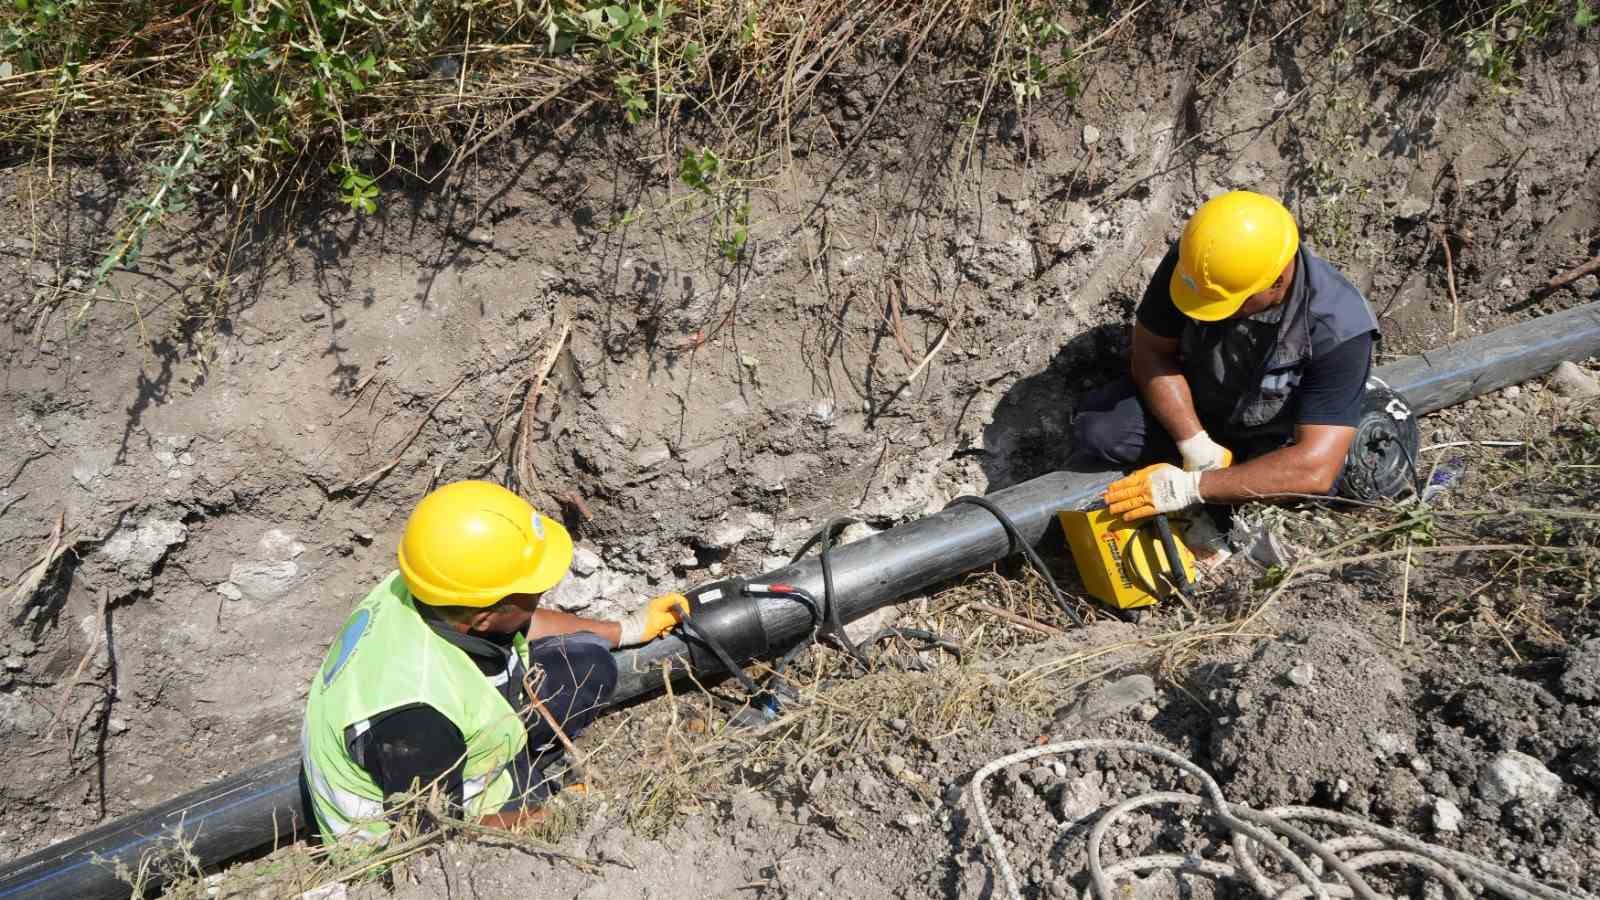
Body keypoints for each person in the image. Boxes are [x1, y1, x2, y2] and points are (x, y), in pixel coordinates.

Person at [300, 480, 688, 842]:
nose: (542, 596)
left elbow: (523, 619)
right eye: (532, 593)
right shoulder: (415, 718)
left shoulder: (432, 587)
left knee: (586, 665)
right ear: (484, 618)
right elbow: (432, 835)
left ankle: (520, 771)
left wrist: (629, 629)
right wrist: (561, 816)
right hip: (418, 842)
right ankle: (523, 792)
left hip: (453, 745)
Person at [1069, 190, 1411, 521]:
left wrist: (1190, 488)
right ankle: (1210, 475)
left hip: (1278, 438)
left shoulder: (1338, 327)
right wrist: (1194, 442)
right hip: (1203, 409)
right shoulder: (1200, 267)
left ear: (1277, 282)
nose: (1212, 314)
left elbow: (1315, 466)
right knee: (1102, 430)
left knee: (1309, 485)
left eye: (1230, 305)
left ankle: (1223, 495)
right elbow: (1150, 350)